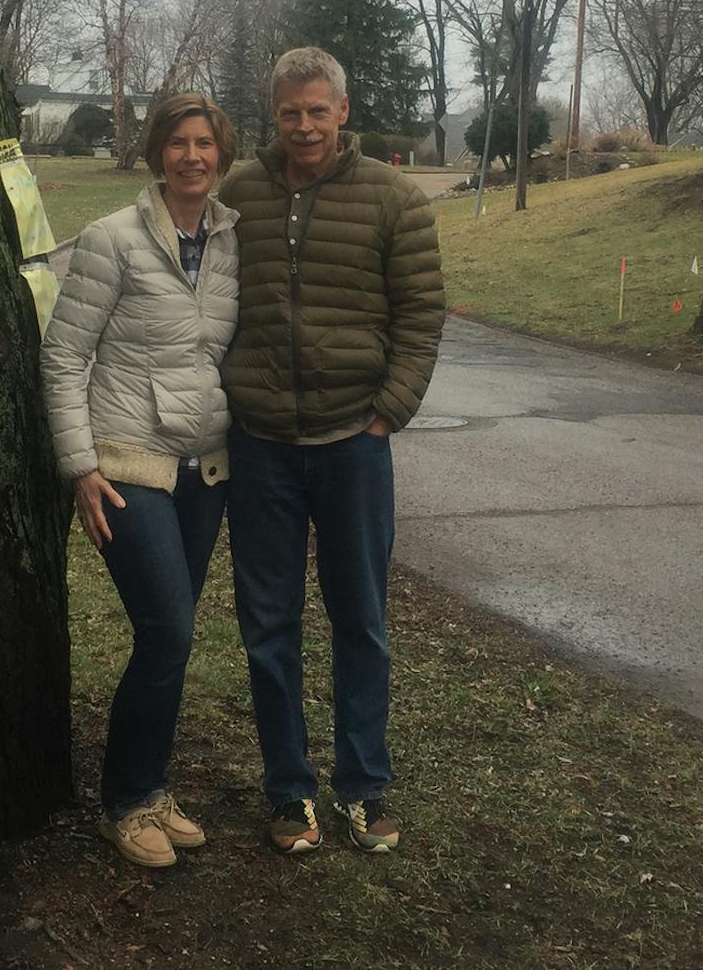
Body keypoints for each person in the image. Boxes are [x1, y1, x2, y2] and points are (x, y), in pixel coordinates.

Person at [219, 47, 445, 854]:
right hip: (261, 449)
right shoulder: (238, 193)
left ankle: (363, 786)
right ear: (272, 114)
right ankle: (289, 792)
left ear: (342, 111)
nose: (305, 126)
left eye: (318, 110)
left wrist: (389, 412)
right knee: (268, 625)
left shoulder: (394, 198)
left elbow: (421, 315)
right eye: (290, 112)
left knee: (361, 620)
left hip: (354, 443)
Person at [40, 92, 241, 869]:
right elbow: (63, 357)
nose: (193, 156)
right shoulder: (111, 240)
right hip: (128, 467)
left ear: (221, 152)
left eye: (206, 143)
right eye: (179, 143)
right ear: (159, 151)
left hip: (206, 470)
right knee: (169, 629)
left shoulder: (229, 241)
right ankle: (124, 802)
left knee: (172, 639)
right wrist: (80, 466)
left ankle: (153, 787)